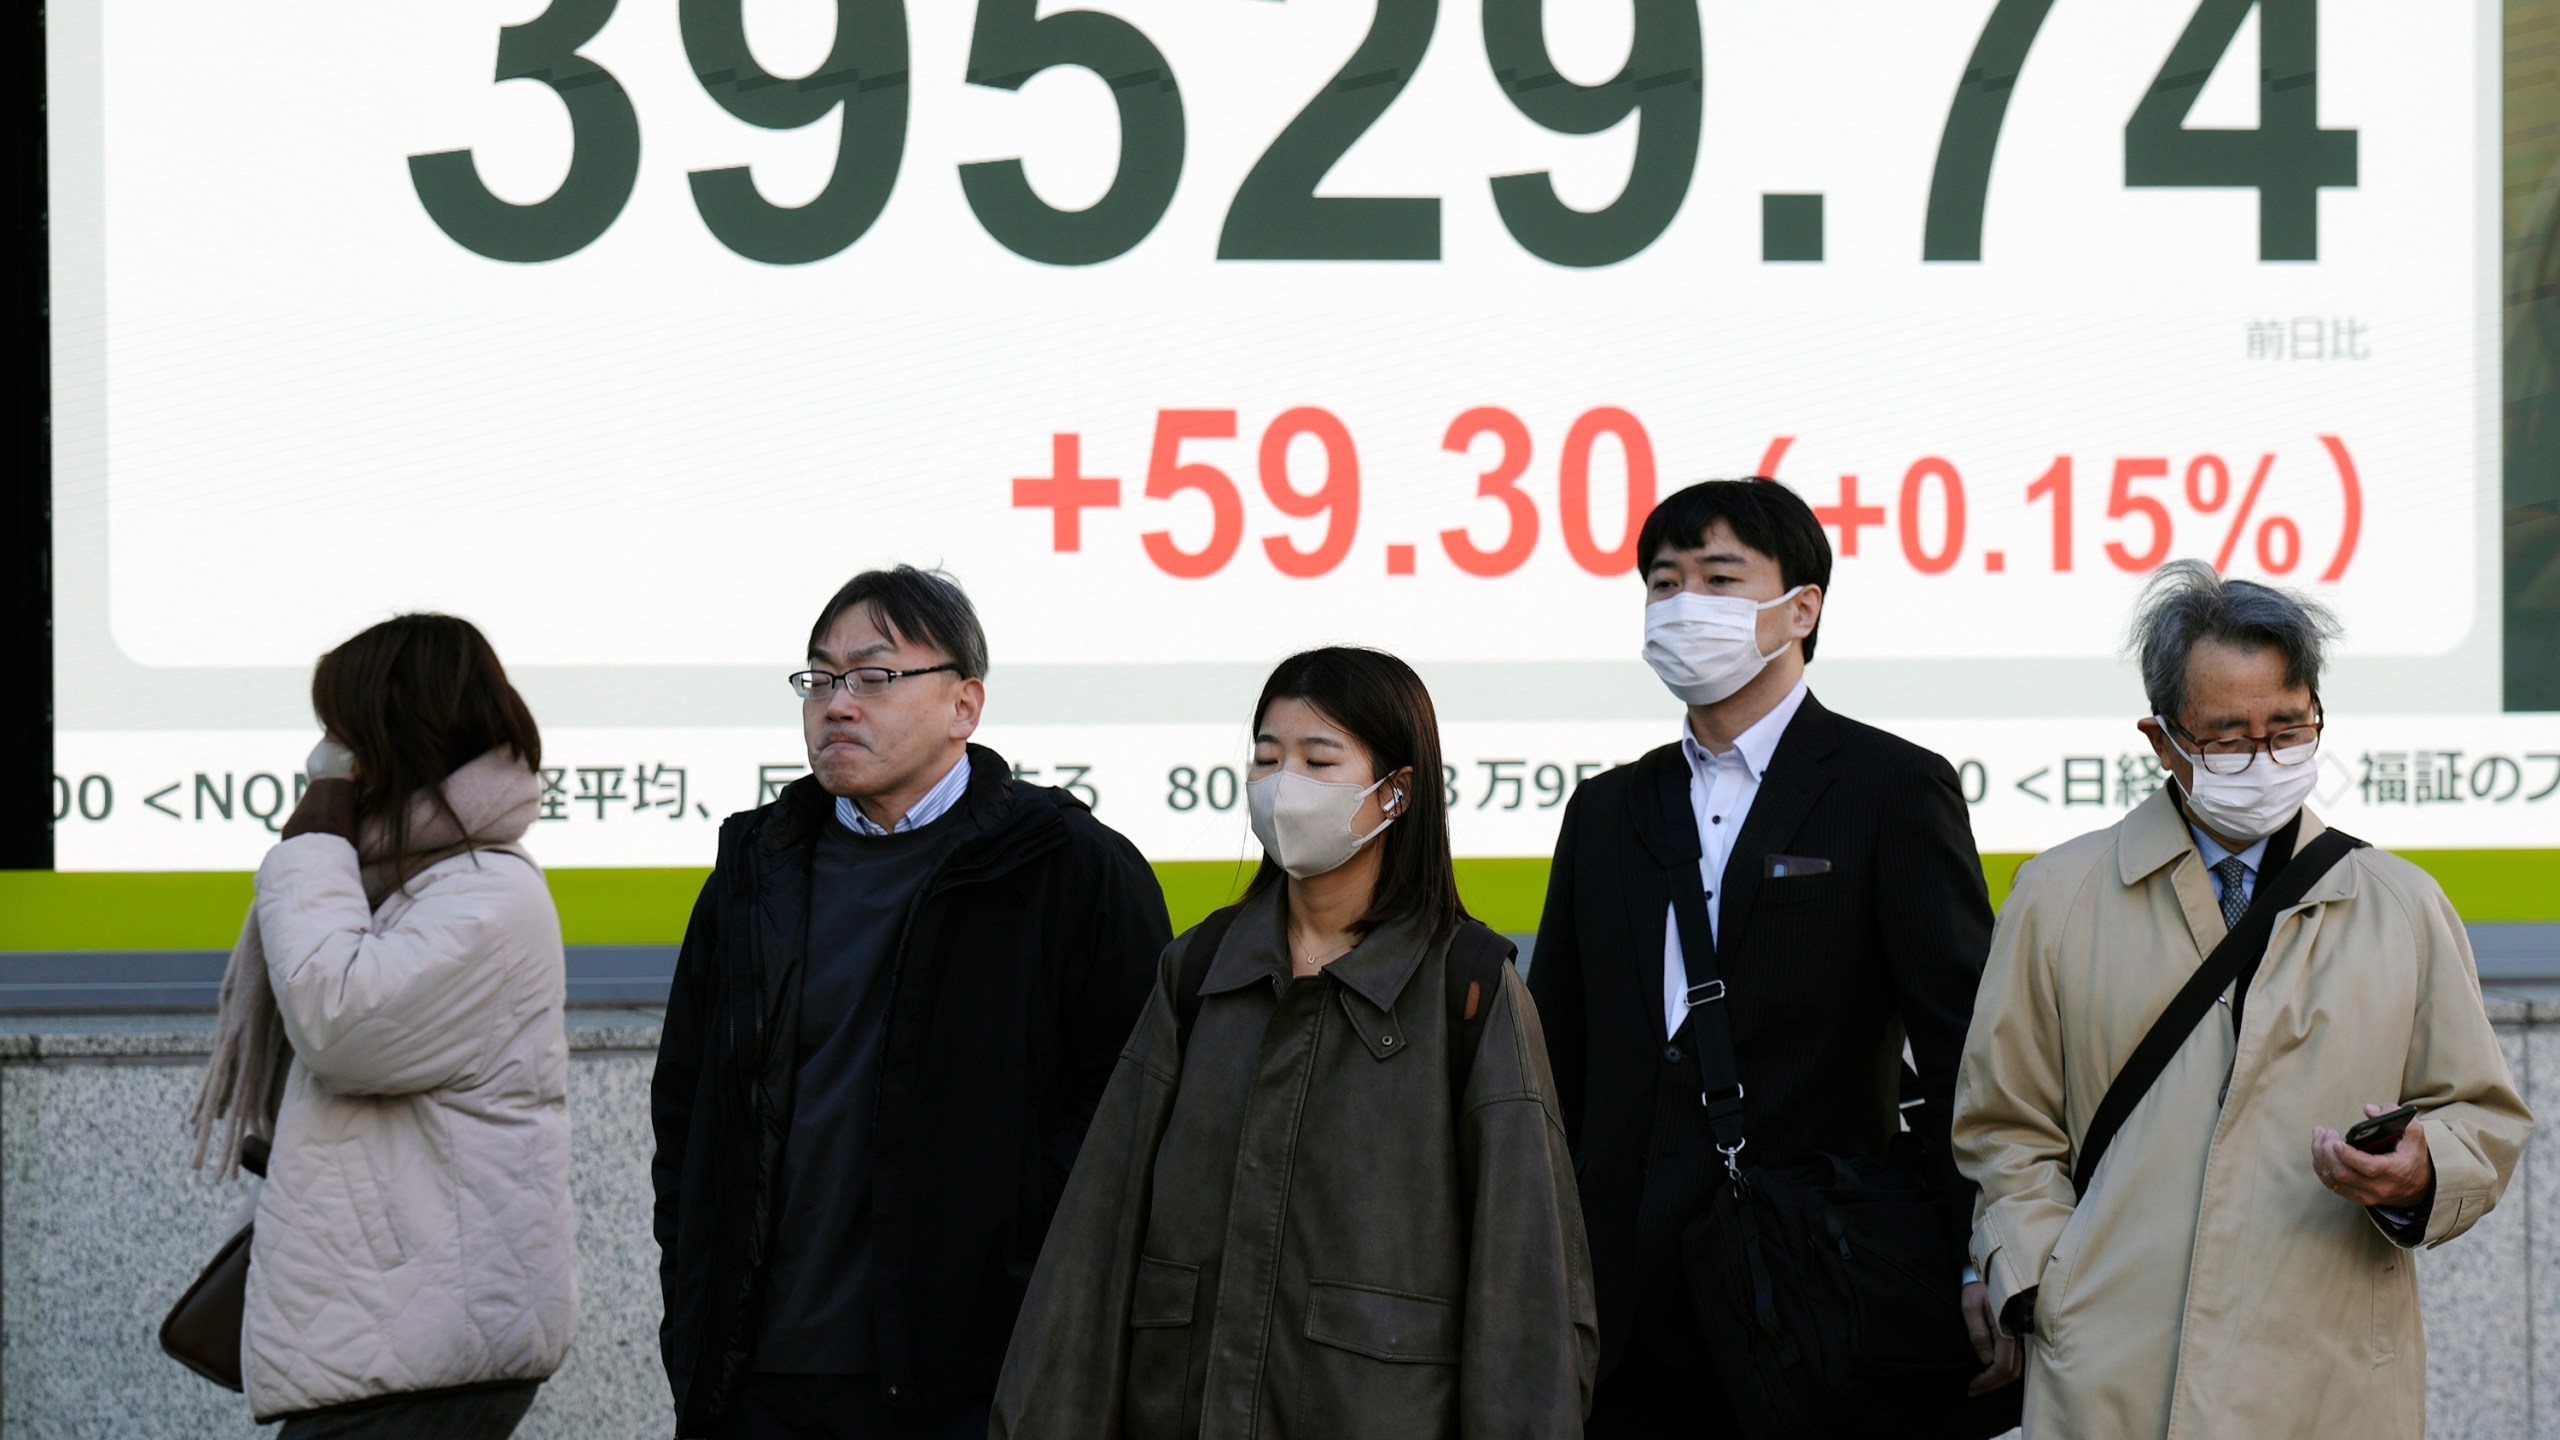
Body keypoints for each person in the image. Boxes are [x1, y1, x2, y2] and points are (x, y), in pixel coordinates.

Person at [1953, 560, 2531, 1439]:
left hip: (2330, 1375)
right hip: (2114, 1372)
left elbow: (2482, 1116)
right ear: (2162, 740)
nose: (2263, 759)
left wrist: (2420, 1171)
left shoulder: (2401, 902)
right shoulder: (2057, 896)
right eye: (2226, 737)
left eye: (2288, 728)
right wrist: (2042, 1285)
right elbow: (2004, 1126)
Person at [993, 647, 1598, 1440]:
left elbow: (1528, 1291)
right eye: (1267, 757)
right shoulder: (1199, 972)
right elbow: (1093, 1246)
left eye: (1319, 759)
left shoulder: (1472, 989)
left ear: (1396, 792)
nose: (1284, 785)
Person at [1528, 479, 2019, 1438]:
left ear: (1801, 609)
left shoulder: (1890, 788)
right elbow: (1554, 1059)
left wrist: (1979, 1254)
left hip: (1810, 1286)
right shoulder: (1607, 810)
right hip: (1621, 1305)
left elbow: (1964, 1046)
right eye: (1662, 584)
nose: (1681, 607)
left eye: (1717, 578)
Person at [652, 566, 1170, 1440]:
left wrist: (1010, 1249)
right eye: (820, 678)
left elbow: (1131, 1104)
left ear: (965, 705)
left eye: (874, 676)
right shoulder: (756, 873)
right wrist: (692, 1296)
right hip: (757, 1375)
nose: (837, 704)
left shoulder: (1068, 868)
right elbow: (688, 1103)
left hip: (966, 1376)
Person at [187, 614, 577, 1437]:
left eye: (339, 729)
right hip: (393, 1330)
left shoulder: (485, 894)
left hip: (423, 1345)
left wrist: (318, 827)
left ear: (383, 737)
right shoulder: (416, 880)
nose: (325, 751)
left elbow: (340, 1023)